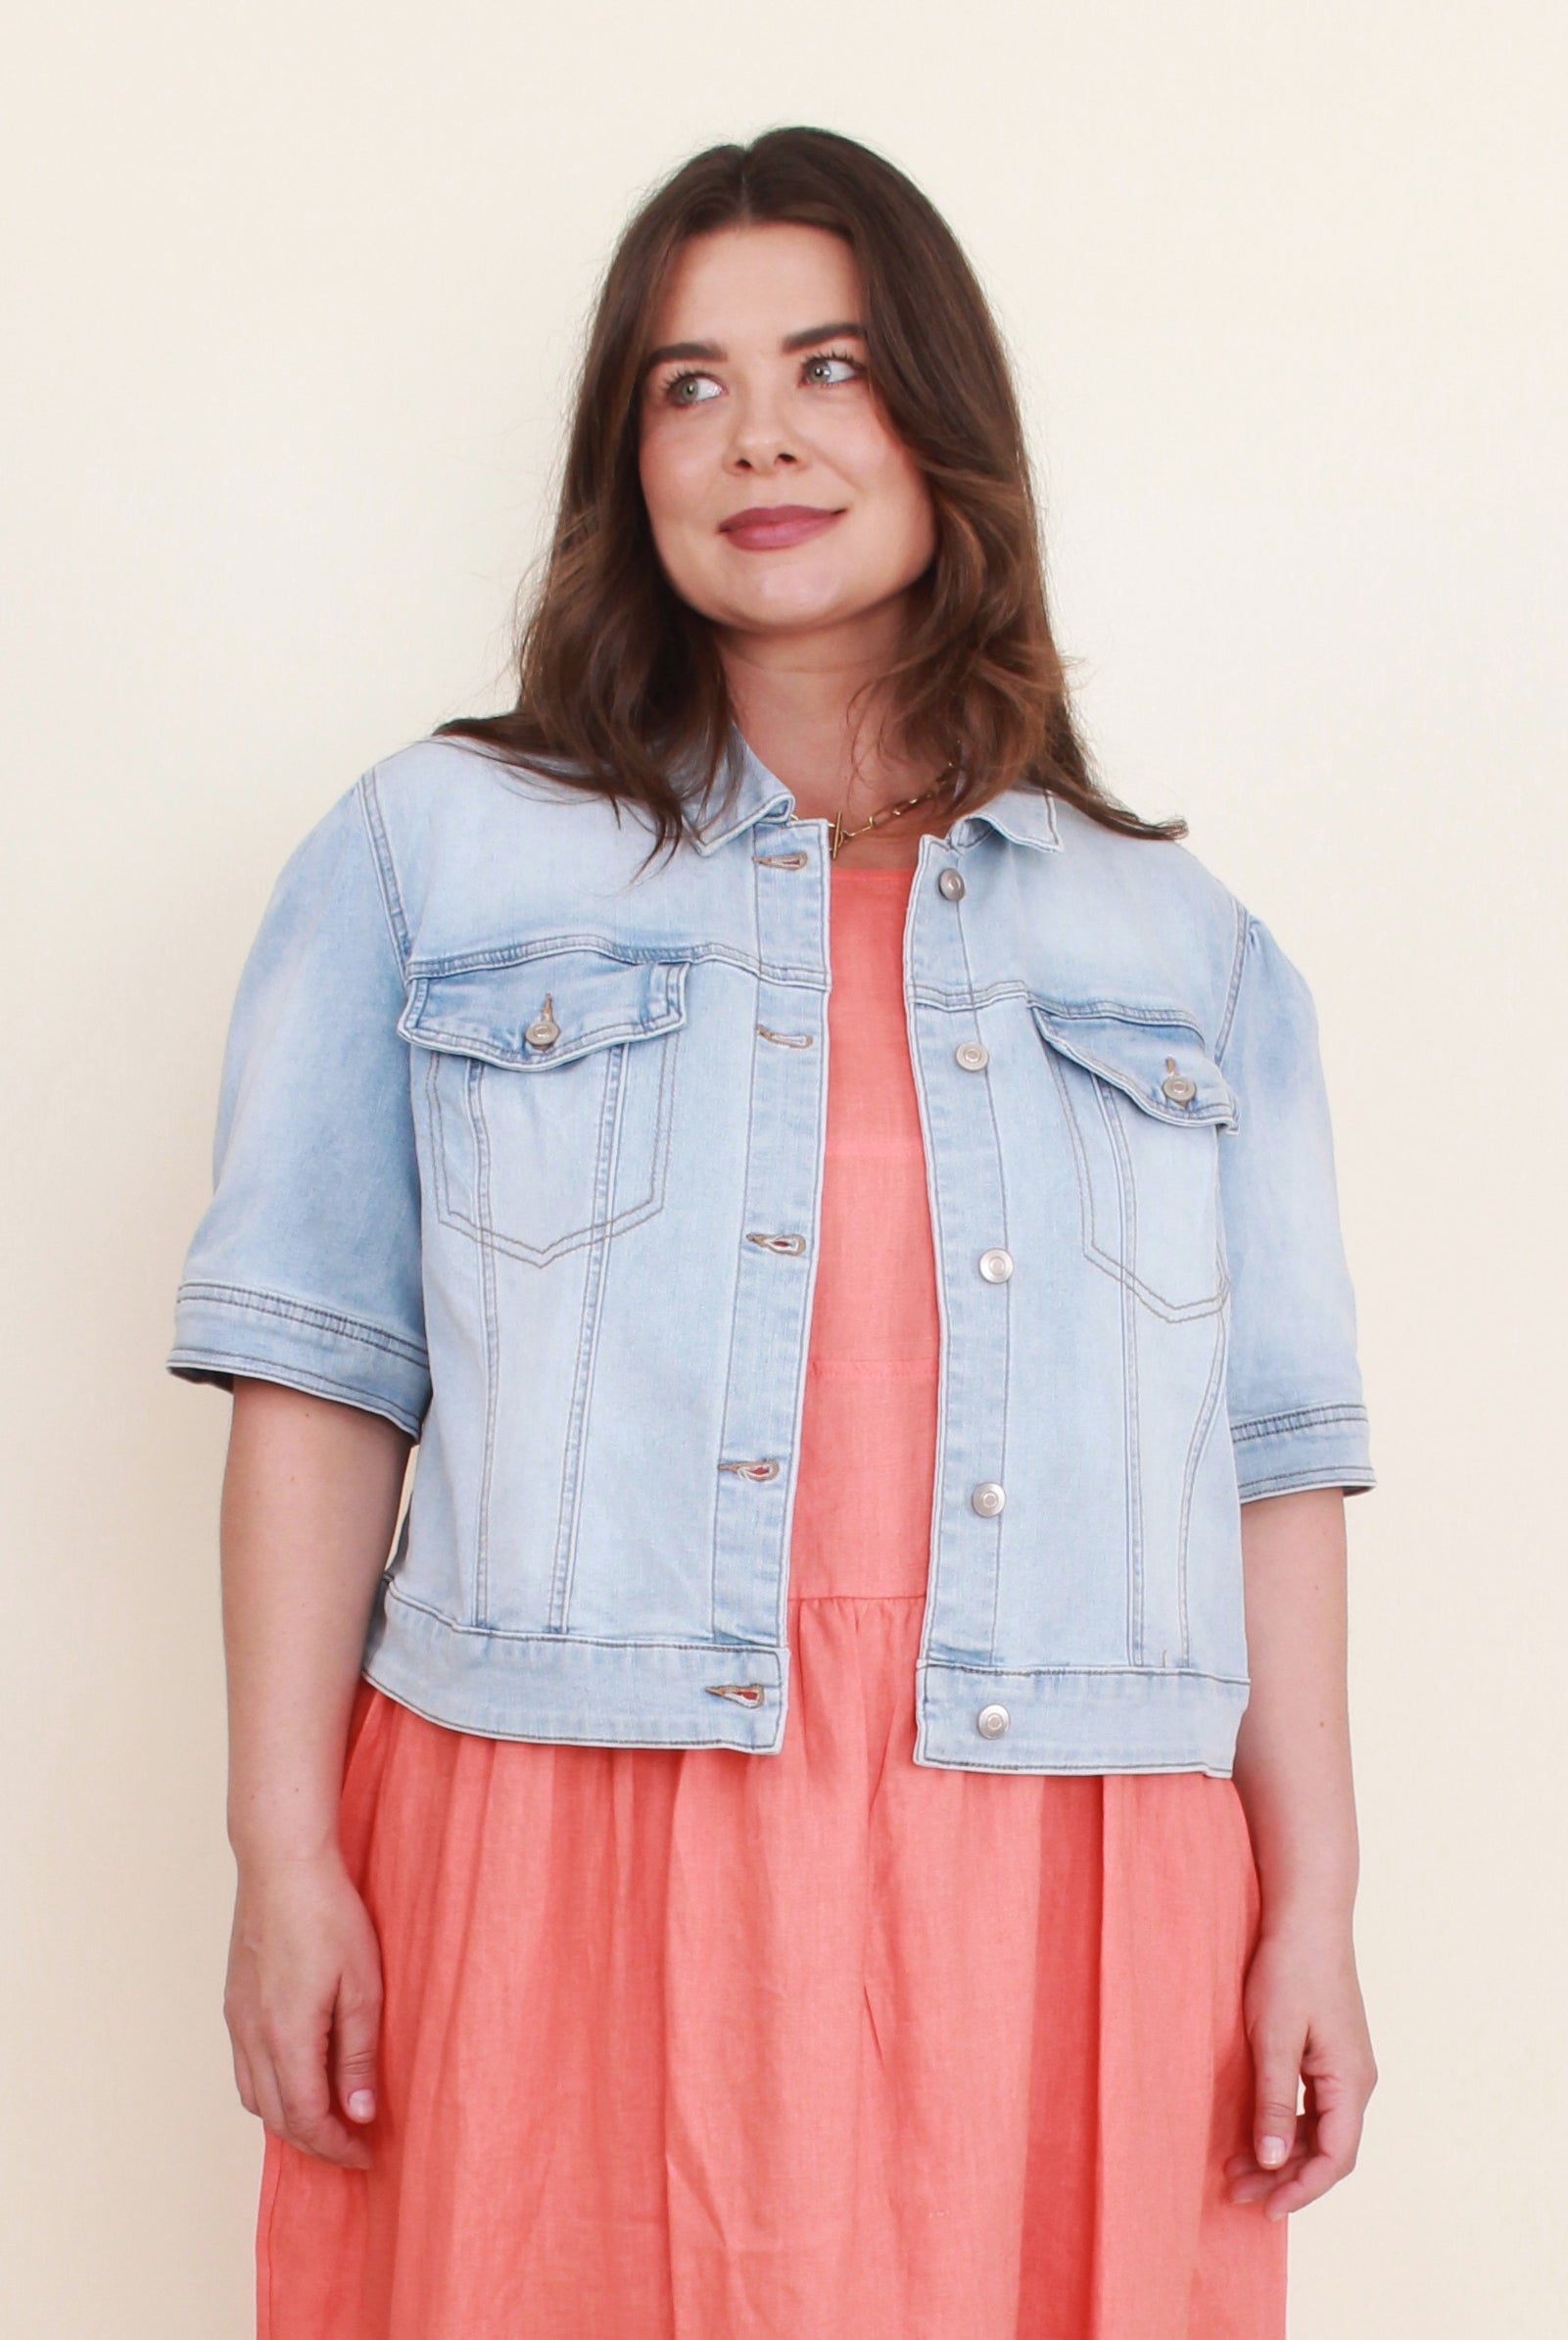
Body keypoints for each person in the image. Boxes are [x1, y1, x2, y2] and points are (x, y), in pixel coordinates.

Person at [166, 125, 1379, 2340]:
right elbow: (316, 1380)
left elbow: (1269, 1462)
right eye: (686, 385)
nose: (762, 437)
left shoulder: (1184, 945)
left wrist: (1314, 1908)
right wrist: (281, 1849)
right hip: (560, 1824)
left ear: (944, 418)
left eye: (828, 363)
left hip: (1058, 1854)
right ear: (623, 458)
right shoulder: (431, 855)